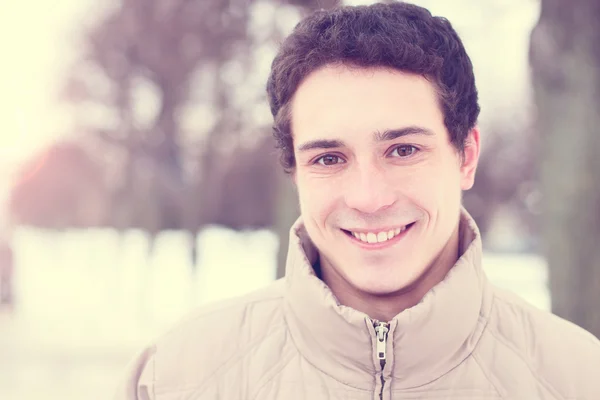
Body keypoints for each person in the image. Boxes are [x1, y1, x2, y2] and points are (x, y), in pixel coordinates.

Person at [115, 2, 600, 399]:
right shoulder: (175, 378)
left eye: (404, 150)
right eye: (329, 158)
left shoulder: (578, 379)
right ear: (295, 172)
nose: (368, 198)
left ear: (465, 156)